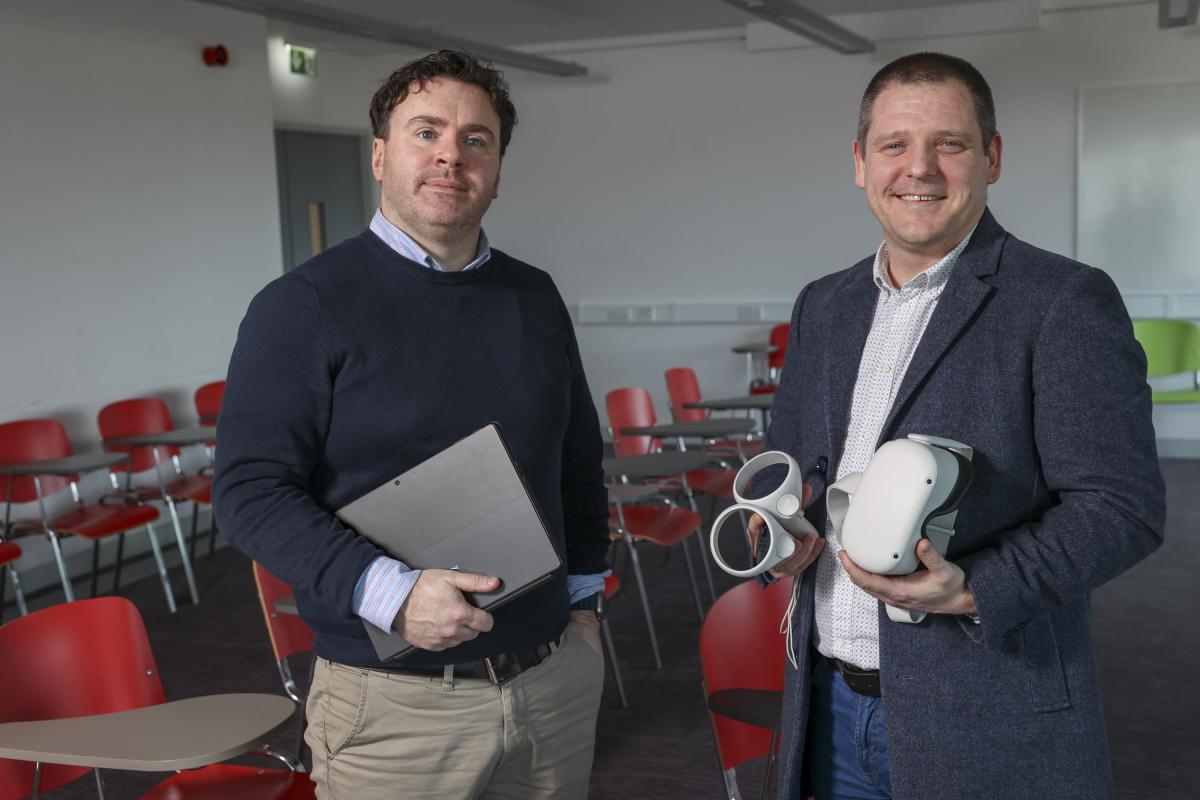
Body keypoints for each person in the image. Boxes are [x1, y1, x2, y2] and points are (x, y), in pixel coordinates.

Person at [752, 52, 1165, 799]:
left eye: (949, 144)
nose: (920, 169)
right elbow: (795, 462)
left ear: (991, 157)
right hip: (828, 706)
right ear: (859, 162)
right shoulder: (824, 304)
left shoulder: (1062, 301)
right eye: (894, 146)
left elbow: (1122, 507)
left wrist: (975, 587)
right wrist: (782, 528)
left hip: (990, 714)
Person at [213, 50, 610, 800]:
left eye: (475, 139)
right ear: (380, 155)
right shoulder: (302, 306)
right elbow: (248, 490)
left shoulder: (534, 295)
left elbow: (578, 461)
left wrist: (584, 609)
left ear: (497, 167)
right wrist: (391, 593)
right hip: (392, 708)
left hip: (550, 681)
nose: (449, 156)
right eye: (425, 131)